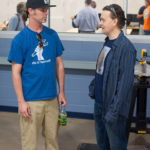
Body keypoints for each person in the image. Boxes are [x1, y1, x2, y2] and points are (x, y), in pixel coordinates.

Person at [8, 0, 66, 149]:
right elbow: (15, 72)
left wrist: (61, 92)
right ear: (31, 11)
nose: (46, 13)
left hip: (52, 99)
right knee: (29, 144)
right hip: (31, 101)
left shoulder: (52, 35)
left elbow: (59, 64)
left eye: (46, 10)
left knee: (52, 141)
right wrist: (21, 101)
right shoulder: (20, 39)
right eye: (42, 10)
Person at [94, 4, 136, 150]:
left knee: (116, 146)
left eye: (103, 20)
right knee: (102, 144)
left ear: (115, 21)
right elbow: (102, 70)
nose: (100, 23)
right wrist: (94, 88)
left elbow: (124, 85)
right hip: (100, 104)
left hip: (113, 110)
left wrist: (113, 112)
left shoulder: (126, 48)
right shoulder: (107, 43)